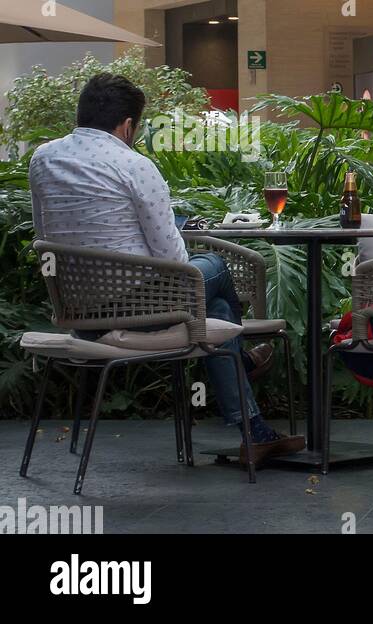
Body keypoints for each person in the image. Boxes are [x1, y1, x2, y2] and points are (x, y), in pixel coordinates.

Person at [28, 74, 303, 464]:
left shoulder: (43, 159)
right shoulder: (134, 165)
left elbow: (45, 233)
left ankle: (255, 433)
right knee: (215, 267)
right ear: (127, 126)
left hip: (79, 312)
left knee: (218, 313)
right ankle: (237, 357)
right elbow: (175, 262)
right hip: (143, 310)